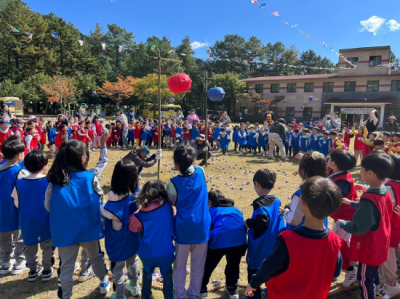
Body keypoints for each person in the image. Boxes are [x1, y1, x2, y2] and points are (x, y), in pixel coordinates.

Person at [245, 177, 343, 299]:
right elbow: (336, 271)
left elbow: (268, 267)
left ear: (303, 204)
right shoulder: (335, 240)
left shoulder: (287, 239)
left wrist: (253, 284)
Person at [45, 140, 110, 298]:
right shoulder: (90, 177)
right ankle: (103, 281)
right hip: (89, 228)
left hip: (64, 230)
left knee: (66, 266)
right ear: (83, 158)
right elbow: (101, 201)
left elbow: (48, 205)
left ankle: (65, 295)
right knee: (96, 257)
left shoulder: (55, 181)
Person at [339, 151, 394, 299]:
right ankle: (375, 291)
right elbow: (375, 210)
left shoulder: (369, 198)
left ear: (370, 173)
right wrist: (353, 204)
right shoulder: (383, 190)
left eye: (361, 168)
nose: (360, 171)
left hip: (368, 248)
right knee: (372, 274)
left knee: (364, 279)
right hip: (380, 242)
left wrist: (343, 224)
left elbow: (359, 228)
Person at [167, 145, 211, 299]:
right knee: (198, 266)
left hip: (183, 229)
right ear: (193, 160)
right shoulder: (200, 172)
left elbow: (171, 202)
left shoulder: (173, 183)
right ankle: (193, 294)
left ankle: (179, 294)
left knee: (179, 265)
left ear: (176, 163)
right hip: (202, 227)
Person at [101, 160, 141, 299]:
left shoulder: (114, 194)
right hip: (131, 234)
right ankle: (134, 286)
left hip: (117, 237)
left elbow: (110, 213)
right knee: (133, 261)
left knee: (117, 267)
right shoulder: (136, 191)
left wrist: (99, 207)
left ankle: (120, 294)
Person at [12, 150, 54, 282]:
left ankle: (32, 270)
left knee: (29, 247)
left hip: (27, 220)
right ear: (44, 165)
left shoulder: (19, 183)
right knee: (47, 246)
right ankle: (47, 269)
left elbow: (16, 201)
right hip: (46, 220)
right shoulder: (49, 181)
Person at [129, 180, 175, 299]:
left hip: (147, 253)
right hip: (166, 252)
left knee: (147, 272)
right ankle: (169, 296)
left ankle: (146, 295)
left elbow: (133, 228)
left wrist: (134, 214)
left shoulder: (140, 215)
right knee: (168, 274)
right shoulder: (169, 208)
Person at [200, 190, 247, 299]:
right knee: (233, 265)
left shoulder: (211, 211)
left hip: (219, 240)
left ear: (209, 202)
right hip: (239, 241)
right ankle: (233, 288)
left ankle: (202, 287)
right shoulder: (236, 210)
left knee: (208, 264)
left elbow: (206, 228)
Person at [246, 169, 285, 299]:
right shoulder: (277, 200)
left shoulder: (259, 203)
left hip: (261, 246)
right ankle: (272, 293)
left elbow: (262, 221)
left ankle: (253, 295)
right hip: (275, 244)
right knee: (272, 273)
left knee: (253, 271)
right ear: (273, 185)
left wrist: (248, 222)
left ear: (256, 184)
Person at [327, 150, 358, 286]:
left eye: (330, 158)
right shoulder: (338, 172)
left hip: (345, 218)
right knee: (342, 243)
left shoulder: (343, 180)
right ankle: (351, 267)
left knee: (341, 245)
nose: (327, 159)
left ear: (334, 163)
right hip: (341, 216)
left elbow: (337, 197)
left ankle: (351, 270)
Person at [0, 136, 29, 275]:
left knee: (4, 238)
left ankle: (5, 262)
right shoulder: (20, 172)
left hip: (1, 212)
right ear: (19, 155)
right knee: (20, 238)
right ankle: (19, 261)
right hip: (17, 211)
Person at [281, 152, 328, 229]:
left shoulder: (301, 194)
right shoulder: (326, 188)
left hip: (302, 236)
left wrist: (285, 212)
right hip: (320, 233)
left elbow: (293, 220)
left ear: (303, 171)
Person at [378, 155, 400, 297]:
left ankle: (392, 283)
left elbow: (385, 206)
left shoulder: (389, 186)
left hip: (389, 226)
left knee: (387, 254)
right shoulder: (393, 183)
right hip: (395, 224)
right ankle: (384, 276)